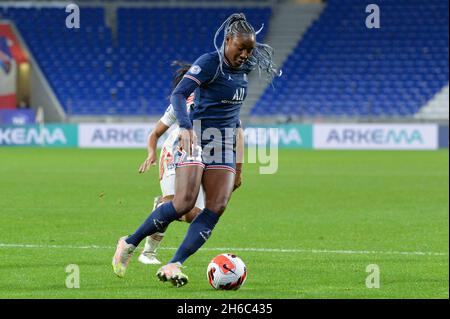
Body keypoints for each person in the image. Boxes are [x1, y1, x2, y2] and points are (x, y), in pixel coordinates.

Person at [112, 13, 278, 287]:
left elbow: (235, 120)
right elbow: (178, 95)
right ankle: (129, 242)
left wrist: (238, 166)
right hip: (196, 140)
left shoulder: (242, 72)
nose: (246, 54)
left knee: (216, 208)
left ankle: (174, 264)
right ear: (228, 41)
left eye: (250, 50)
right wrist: (187, 127)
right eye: (241, 48)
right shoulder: (210, 63)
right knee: (184, 204)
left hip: (223, 146)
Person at [137, 62, 205, 265]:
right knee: (174, 201)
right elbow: (155, 133)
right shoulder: (180, 102)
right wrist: (151, 153)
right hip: (174, 152)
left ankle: (163, 207)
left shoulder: (215, 99)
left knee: (197, 216)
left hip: (198, 156)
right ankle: (148, 252)